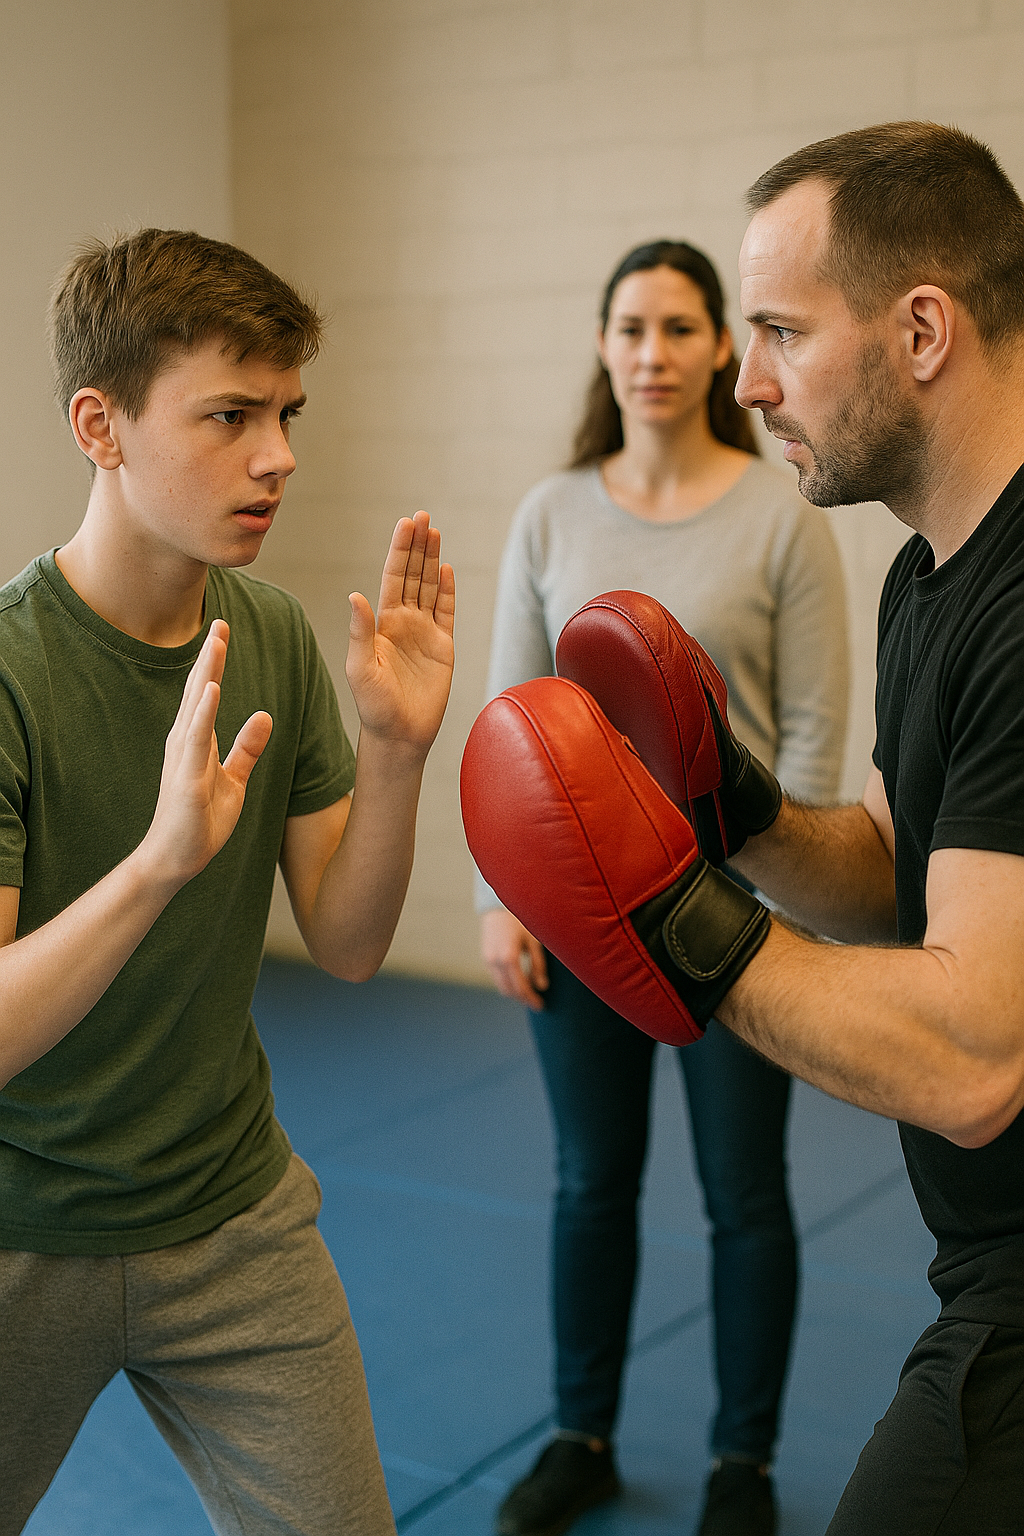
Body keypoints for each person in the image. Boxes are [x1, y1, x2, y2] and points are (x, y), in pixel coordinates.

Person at [0, 228, 455, 1536]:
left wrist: (398, 749)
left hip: (232, 1218)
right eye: (231, 415)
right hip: (20, 1234)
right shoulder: (11, 676)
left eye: (287, 413)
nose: (280, 456)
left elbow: (352, 944)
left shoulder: (266, 635)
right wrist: (156, 868)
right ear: (102, 425)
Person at [480, 241, 848, 1536]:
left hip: (739, 926)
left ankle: (740, 1466)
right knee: (593, 1185)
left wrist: (786, 925)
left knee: (745, 1197)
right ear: (603, 344)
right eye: (630, 326)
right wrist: (502, 901)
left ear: (716, 348)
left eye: (680, 326)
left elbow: (807, 740)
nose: (653, 351)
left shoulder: (776, 512)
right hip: (582, 923)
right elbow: (511, 723)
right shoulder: (548, 513)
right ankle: (579, 1435)